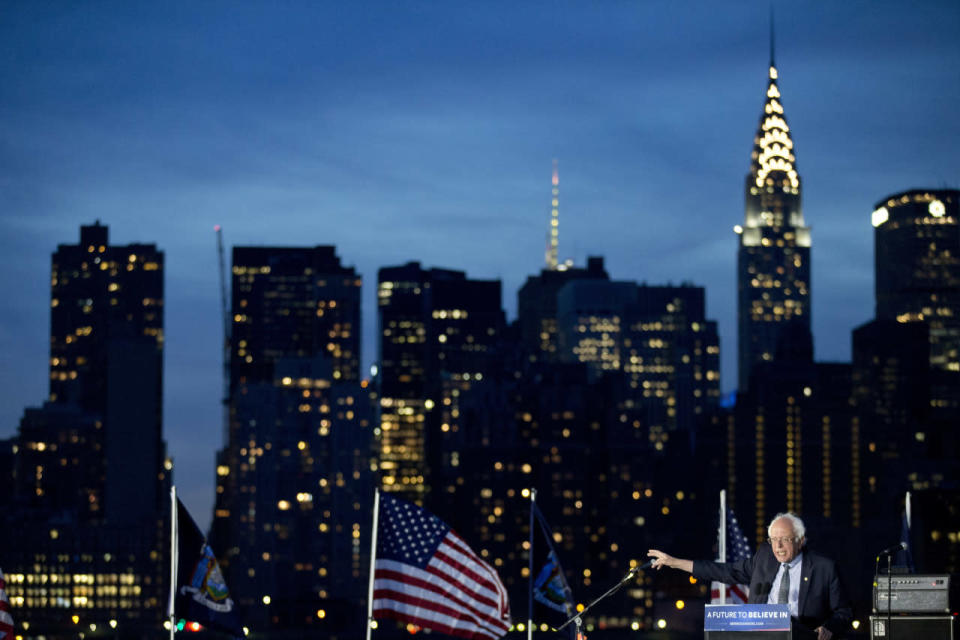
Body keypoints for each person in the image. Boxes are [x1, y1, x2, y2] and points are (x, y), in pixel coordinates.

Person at [648, 512, 852, 640]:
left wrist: (828, 629)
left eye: (785, 540)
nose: (778, 547)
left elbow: (843, 612)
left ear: (801, 540)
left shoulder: (824, 567)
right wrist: (674, 562)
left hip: (803, 635)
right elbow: (724, 571)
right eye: (773, 539)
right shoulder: (764, 557)